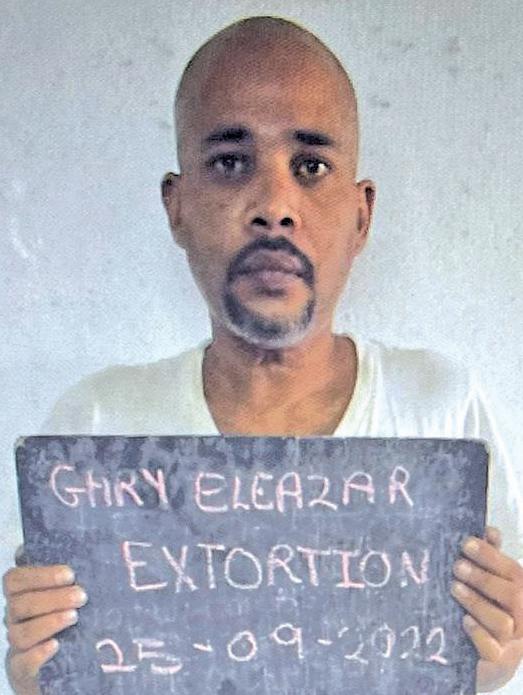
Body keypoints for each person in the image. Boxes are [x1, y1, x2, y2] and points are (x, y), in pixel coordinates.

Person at [3, 15, 523, 694]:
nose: (274, 206)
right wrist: (39, 674)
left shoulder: (440, 409)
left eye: (311, 167)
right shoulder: (95, 430)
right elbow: (56, 666)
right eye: (230, 163)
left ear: (361, 214)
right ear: (177, 206)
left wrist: (496, 660)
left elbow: (484, 658)